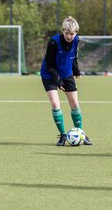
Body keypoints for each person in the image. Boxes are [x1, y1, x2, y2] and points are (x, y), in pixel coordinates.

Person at [40, 16, 92, 146]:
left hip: (66, 73)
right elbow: (49, 64)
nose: (69, 36)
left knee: (74, 104)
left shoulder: (76, 40)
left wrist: (76, 71)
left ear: (76, 33)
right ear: (63, 31)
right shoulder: (53, 42)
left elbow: (74, 57)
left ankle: (81, 133)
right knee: (55, 104)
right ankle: (63, 135)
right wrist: (58, 81)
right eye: (67, 33)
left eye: (72, 34)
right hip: (49, 75)